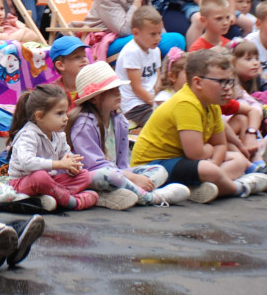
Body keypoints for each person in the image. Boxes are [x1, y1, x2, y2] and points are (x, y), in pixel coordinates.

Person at [131, 50, 267, 201]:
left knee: (237, 160)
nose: (227, 88)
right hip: (151, 167)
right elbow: (196, 154)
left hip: (181, 160)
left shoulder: (212, 103)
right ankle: (240, 188)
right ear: (198, 82)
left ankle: (198, 187)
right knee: (208, 169)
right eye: (221, 82)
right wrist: (212, 157)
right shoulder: (186, 103)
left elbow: (220, 144)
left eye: (230, 81)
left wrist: (215, 165)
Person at [68, 62, 190, 207]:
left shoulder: (119, 120)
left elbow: (122, 164)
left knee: (159, 170)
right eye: (111, 91)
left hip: (119, 174)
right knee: (108, 175)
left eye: (117, 89)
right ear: (94, 98)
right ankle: (152, 197)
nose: (118, 93)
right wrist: (131, 177)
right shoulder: (84, 124)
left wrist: (130, 176)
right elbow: (95, 166)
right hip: (91, 177)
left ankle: (122, 193)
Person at [5, 84, 103, 211]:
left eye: (66, 113)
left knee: (85, 175)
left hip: (49, 181)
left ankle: (51, 197)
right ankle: (72, 202)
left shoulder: (58, 135)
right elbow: (26, 163)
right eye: (59, 113)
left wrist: (73, 166)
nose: (66, 118)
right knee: (40, 177)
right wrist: (59, 164)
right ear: (39, 116)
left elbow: (66, 154)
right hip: (22, 183)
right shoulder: (28, 135)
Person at [114, 6, 165, 128]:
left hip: (149, 98)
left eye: (159, 33)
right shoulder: (132, 52)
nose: (158, 38)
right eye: (153, 34)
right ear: (136, 33)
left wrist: (159, 96)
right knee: (160, 123)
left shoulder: (155, 50)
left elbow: (157, 78)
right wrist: (155, 102)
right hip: (133, 104)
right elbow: (136, 88)